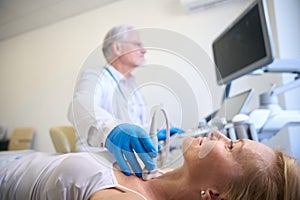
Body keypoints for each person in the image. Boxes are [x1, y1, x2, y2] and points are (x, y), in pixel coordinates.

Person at [1, 131, 299, 200]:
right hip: (21, 159)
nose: (218, 135)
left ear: (214, 194)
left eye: (231, 146)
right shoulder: (162, 173)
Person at [67, 25, 183, 178]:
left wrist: (155, 135)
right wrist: (111, 130)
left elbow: (133, 128)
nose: (144, 50)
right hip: (100, 168)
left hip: (130, 167)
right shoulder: (96, 77)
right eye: (137, 44)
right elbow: (79, 105)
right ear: (117, 48)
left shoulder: (131, 85)